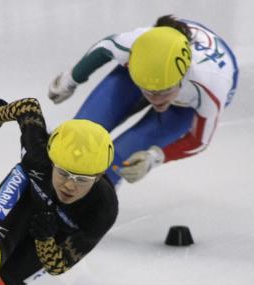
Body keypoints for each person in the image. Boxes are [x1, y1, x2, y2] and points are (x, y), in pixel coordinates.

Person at [45, 15, 238, 186]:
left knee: (118, 158)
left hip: (188, 104)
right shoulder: (135, 45)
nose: (156, 99)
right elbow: (103, 48)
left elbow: (199, 140)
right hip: (144, 73)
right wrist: (71, 79)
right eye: (148, 90)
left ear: (183, 77)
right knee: (80, 135)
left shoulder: (210, 86)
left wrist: (155, 157)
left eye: (165, 90)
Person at [0, 98, 119, 285]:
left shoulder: (103, 209)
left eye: (81, 180)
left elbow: (58, 265)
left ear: (98, 177)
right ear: (51, 161)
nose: (69, 185)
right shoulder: (38, 153)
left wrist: (45, 240)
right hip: (30, 194)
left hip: (55, 230)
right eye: (63, 173)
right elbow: (29, 108)